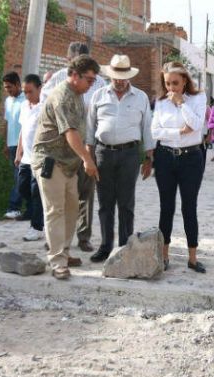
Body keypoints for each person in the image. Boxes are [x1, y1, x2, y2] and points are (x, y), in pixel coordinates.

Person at [31, 55, 101, 280]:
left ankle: (65, 251)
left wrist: (81, 158)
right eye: (89, 79)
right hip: (50, 161)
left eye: (93, 80)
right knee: (55, 211)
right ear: (74, 75)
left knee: (72, 208)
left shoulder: (78, 94)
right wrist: (87, 160)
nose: (92, 84)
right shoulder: (61, 96)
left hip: (68, 163)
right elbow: (70, 132)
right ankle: (57, 261)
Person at [86, 55, 155, 263]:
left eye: (123, 76)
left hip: (130, 155)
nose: (119, 80)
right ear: (111, 75)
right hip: (103, 153)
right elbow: (90, 130)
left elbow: (147, 129)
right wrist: (88, 159)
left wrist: (149, 158)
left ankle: (125, 247)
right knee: (105, 203)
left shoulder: (141, 97)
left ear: (128, 76)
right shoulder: (98, 96)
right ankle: (105, 246)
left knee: (126, 202)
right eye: (116, 76)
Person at [41, 41, 107, 253]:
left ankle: (83, 236)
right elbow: (47, 105)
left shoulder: (99, 82)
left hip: (87, 143)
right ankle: (55, 241)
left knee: (85, 194)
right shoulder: (58, 80)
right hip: (60, 150)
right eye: (74, 60)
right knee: (57, 199)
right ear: (69, 62)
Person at [151, 61, 208, 273]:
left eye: (175, 83)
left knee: (189, 207)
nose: (171, 88)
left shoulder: (198, 98)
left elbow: (196, 125)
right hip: (165, 157)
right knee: (166, 207)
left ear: (184, 80)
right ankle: (164, 255)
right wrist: (178, 132)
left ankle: (193, 257)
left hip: (191, 158)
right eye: (167, 83)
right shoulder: (161, 101)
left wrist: (182, 103)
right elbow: (155, 132)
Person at [14, 74, 45, 241]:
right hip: (25, 157)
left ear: (39, 88)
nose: (27, 95)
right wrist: (19, 152)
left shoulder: (45, 107)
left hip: (40, 158)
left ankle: (37, 227)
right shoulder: (25, 106)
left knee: (36, 192)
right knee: (22, 188)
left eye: (30, 92)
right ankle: (39, 214)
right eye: (25, 92)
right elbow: (23, 130)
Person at [2, 71, 27, 220]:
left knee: (19, 176)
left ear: (18, 84)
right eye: (5, 88)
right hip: (11, 145)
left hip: (23, 145)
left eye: (10, 87)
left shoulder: (26, 100)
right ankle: (27, 205)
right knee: (18, 176)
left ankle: (14, 207)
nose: (8, 90)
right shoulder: (8, 101)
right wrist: (5, 143)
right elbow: (7, 122)